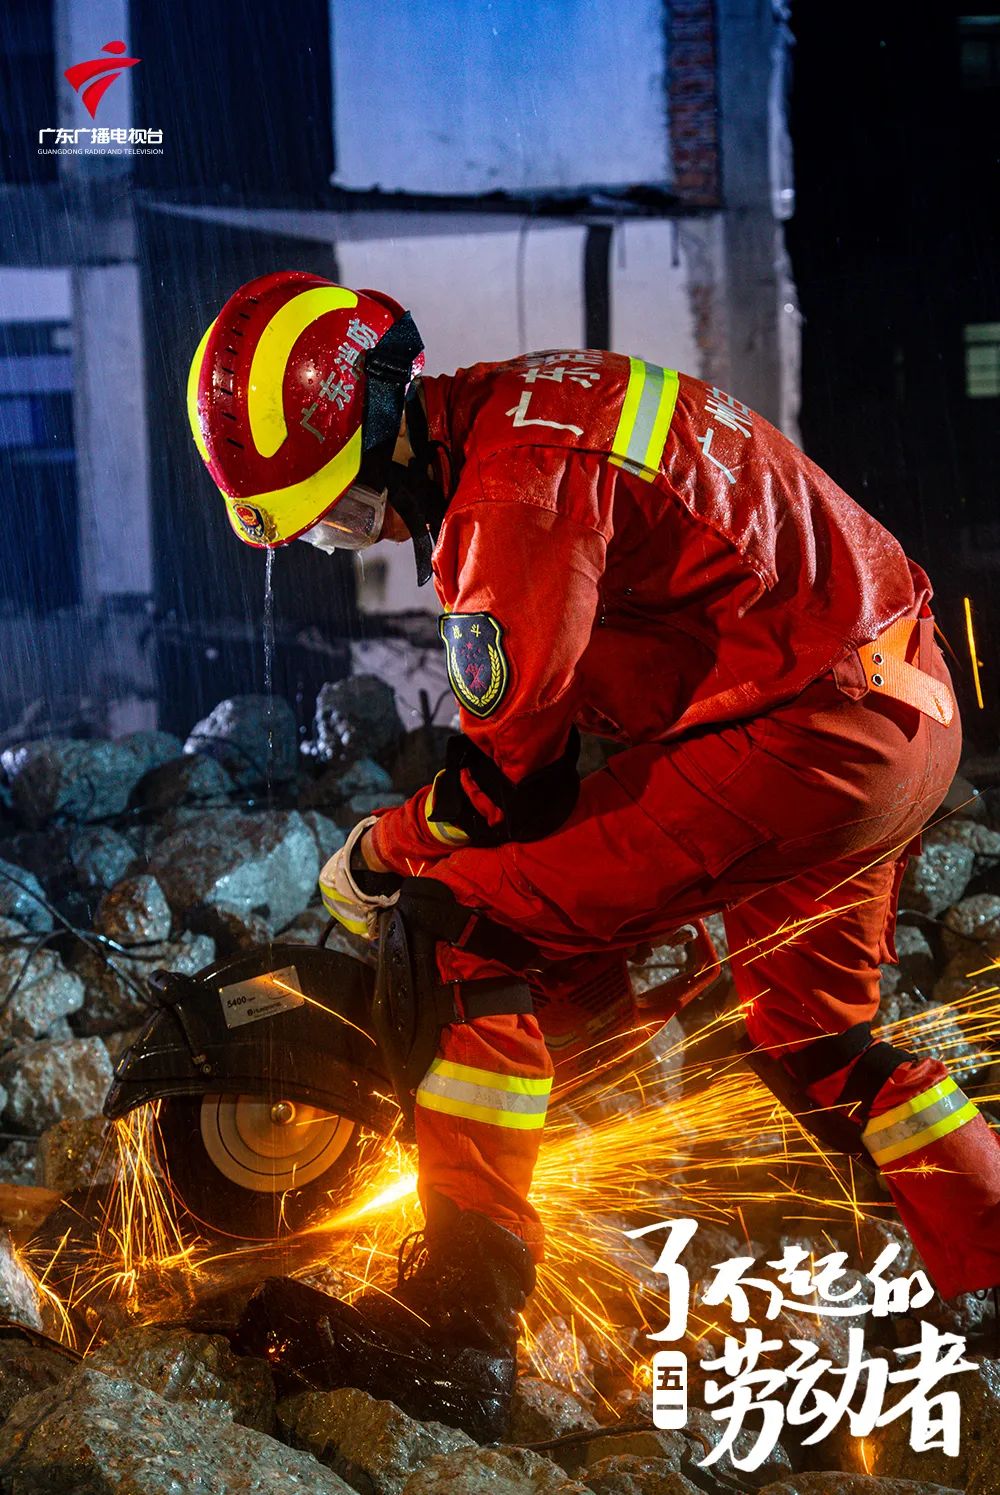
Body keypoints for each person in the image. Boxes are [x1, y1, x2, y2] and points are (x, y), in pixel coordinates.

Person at [188, 270, 999, 1436]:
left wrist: (376, 855)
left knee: (460, 923)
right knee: (819, 1043)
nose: (333, 538)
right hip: (896, 706)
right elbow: (569, 742)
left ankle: (461, 1326)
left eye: (334, 506)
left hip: (805, 734)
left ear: (371, 431)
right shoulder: (522, 411)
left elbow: (502, 781)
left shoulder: (508, 496)